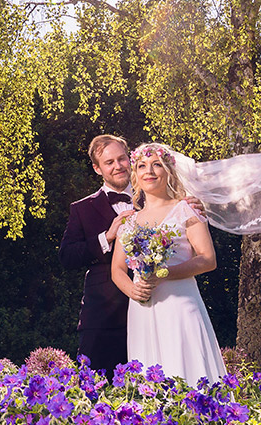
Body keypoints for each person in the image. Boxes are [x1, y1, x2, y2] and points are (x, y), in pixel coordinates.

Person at [110, 142, 227, 384]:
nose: (149, 171)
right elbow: (117, 269)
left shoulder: (187, 210)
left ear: (169, 172)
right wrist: (131, 289)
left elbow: (207, 259)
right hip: (142, 307)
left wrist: (166, 274)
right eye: (142, 166)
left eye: (157, 165)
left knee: (186, 367)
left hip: (180, 304)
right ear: (136, 175)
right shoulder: (129, 221)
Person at [59, 134, 136, 374]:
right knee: (96, 392)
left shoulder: (156, 200)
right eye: (109, 162)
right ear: (97, 168)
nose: (117, 166)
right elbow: (67, 257)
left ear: (130, 159)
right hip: (102, 317)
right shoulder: (81, 209)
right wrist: (107, 237)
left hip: (155, 308)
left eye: (121, 159)